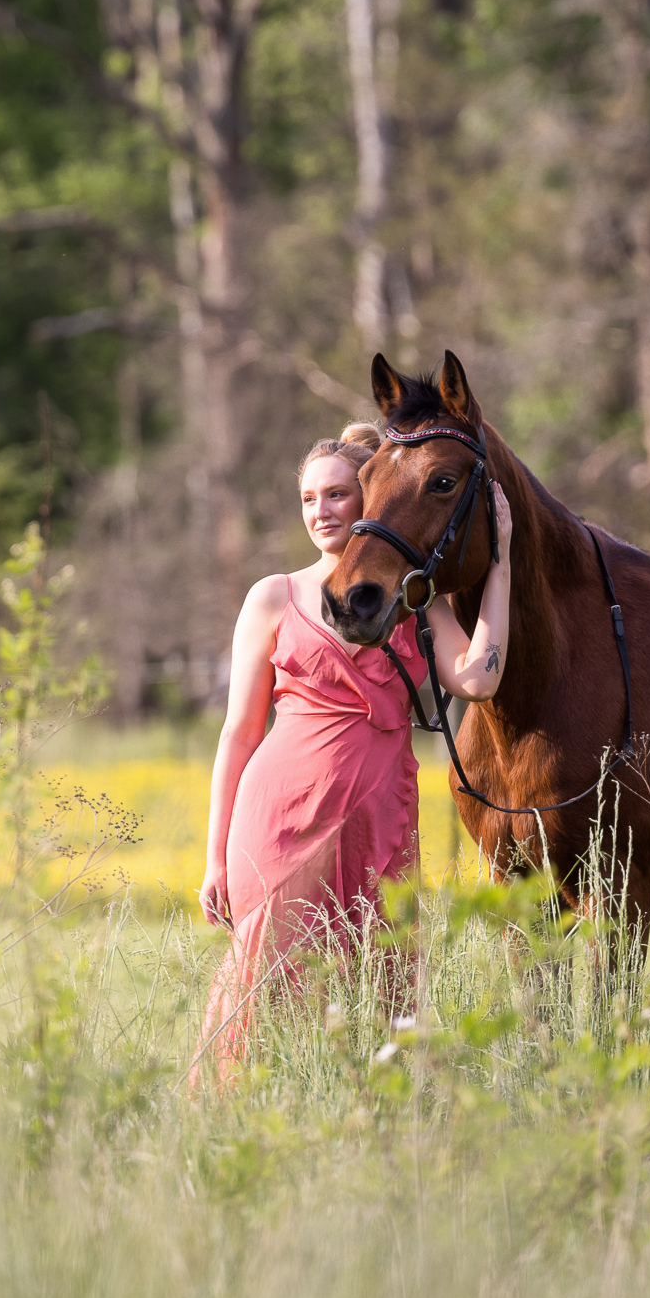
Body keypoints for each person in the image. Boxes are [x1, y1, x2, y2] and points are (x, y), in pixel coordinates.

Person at [190, 421, 514, 1084]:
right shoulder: (273, 597)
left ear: (369, 498)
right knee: (272, 980)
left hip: (380, 817)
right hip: (280, 816)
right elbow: (238, 734)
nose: (321, 511)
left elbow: (478, 677)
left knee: (381, 978)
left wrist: (502, 562)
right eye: (309, 499)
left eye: (337, 495)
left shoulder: (417, 599)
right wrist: (214, 855)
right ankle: (244, 1125)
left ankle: (373, 1135)